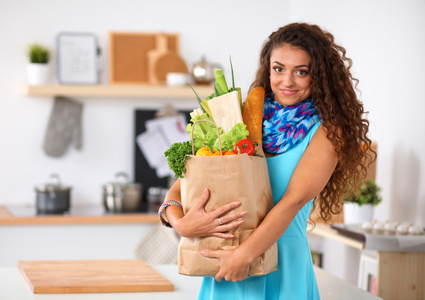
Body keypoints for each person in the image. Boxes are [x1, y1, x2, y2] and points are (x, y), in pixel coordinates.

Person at [158, 22, 374, 300]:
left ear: (318, 76)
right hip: (226, 262)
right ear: (268, 68)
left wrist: (243, 255)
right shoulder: (243, 118)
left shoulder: (328, 131)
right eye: (279, 68)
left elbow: (293, 200)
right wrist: (178, 223)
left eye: (302, 72)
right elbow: (184, 183)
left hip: (280, 263)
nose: (287, 81)